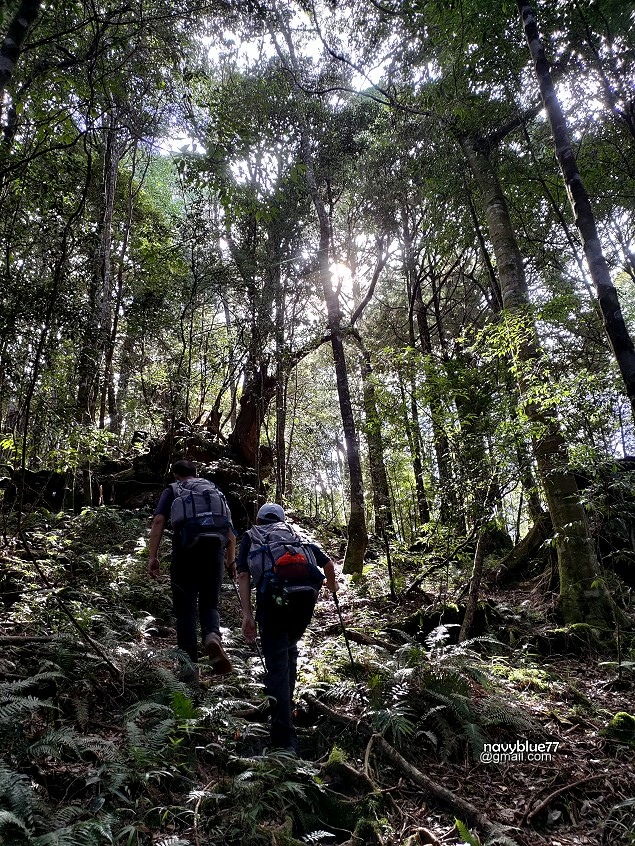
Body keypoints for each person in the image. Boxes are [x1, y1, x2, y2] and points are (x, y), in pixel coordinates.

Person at [237, 502, 337, 752]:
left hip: (274, 601)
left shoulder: (252, 537)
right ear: (281, 520)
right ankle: (286, 709)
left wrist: (247, 615)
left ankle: (284, 739)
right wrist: (332, 588)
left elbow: (242, 576)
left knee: (278, 663)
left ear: (259, 520)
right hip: (303, 600)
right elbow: (328, 565)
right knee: (288, 650)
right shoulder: (297, 536)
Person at [148, 459, 236, 677]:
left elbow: (159, 521)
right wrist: (231, 560)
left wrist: (153, 556)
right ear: (196, 473)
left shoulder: (174, 489)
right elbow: (230, 529)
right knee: (210, 604)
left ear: (176, 475)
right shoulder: (213, 490)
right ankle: (212, 637)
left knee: (185, 609)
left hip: (185, 552)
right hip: (214, 552)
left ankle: (189, 670)